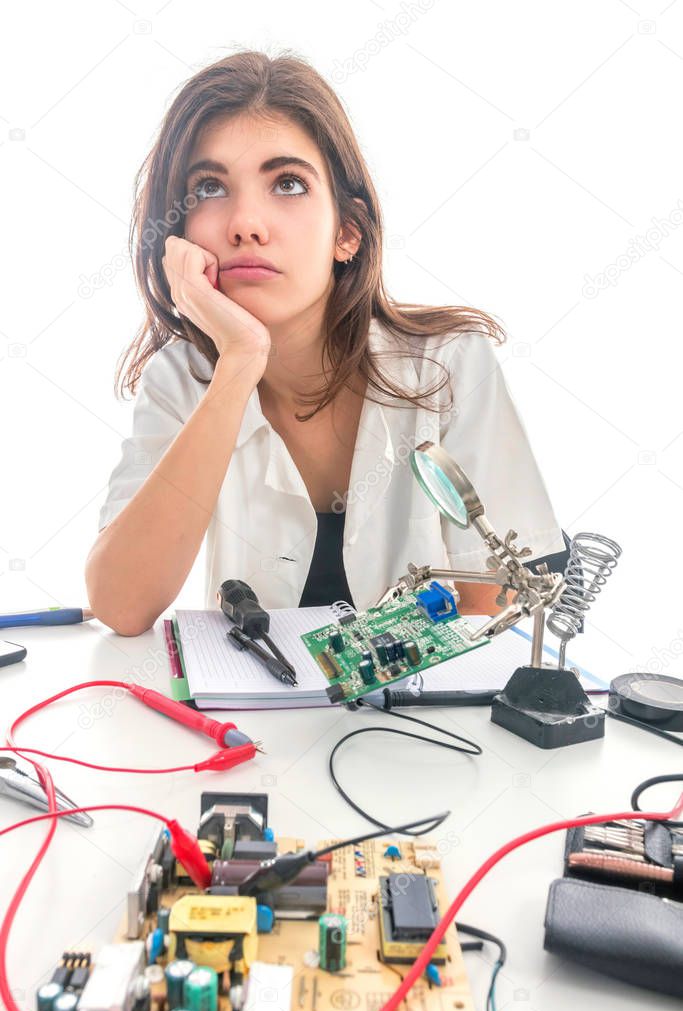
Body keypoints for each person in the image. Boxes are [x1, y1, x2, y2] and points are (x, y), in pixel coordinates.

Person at [86, 49, 567, 636]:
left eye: (287, 183)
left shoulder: (449, 363)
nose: (245, 223)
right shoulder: (181, 379)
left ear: (347, 232)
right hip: (255, 722)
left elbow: (507, 594)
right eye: (209, 187)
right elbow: (121, 604)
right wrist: (238, 364)